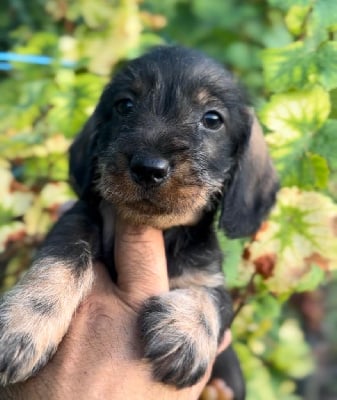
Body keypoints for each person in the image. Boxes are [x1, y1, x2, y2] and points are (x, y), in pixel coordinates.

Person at [0, 219, 232, 400]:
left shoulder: (202, 256)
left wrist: (201, 313)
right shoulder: (84, 221)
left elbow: (215, 296)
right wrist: (45, 299)